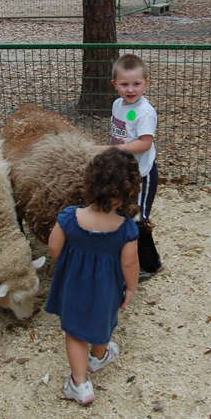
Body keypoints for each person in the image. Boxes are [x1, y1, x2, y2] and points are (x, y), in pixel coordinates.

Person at [45, 148, 140, 405]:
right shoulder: (126, 229)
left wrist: (70, 266)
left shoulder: (69, 217)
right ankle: (98, 358)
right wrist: (130, 286)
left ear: (90, 181)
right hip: (107, 288)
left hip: (73, 285)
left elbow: (54, 246)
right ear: (129, 193)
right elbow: (130, 263)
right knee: (103, 321)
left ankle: (80, 384)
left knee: (75, 332)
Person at [109, 53, 161, 280]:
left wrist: (115, 150)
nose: (131, 89)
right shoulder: (118, 105)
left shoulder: (145, 112)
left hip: (142, 174)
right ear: (115, 85)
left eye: (136, 84)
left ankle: (150, 265)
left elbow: (145, 143)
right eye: (124, 84)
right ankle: (128, 256)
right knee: (122, 212)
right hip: (123, 172)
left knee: (138, 217)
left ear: (145, 84)